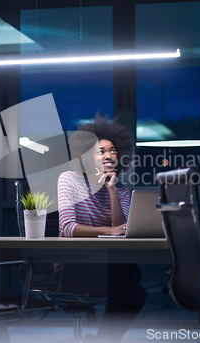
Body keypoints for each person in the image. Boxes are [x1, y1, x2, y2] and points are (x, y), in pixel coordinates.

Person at [57, 113, 146, 343]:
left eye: (113, 150)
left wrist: (112, 191)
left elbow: (122, 227)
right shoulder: (69, 179)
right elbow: (67, 227)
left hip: (105, 262)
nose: (109, 155)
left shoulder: (122, 190)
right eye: (102, 151)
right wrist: (109, 231)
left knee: (135, 288)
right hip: (72, 264)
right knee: (129, 278)